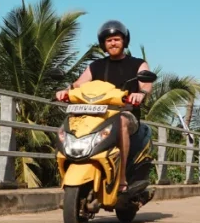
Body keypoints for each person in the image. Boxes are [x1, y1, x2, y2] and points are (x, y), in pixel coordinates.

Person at [55, 20, 153, 192]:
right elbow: (78, 84)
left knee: (121, 122)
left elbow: (146, 84)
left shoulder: (137, 64)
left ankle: (121, 178)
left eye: (116, 39)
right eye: (109, 40)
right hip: (96, 114)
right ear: (103, 44)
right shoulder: (96, 66)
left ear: (124, 41)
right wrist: (66, 91)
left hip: (125, 113)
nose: (113, 43)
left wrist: (141, 93)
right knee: (68, 125)